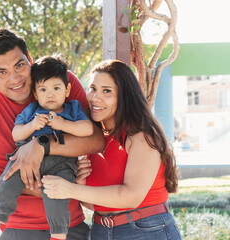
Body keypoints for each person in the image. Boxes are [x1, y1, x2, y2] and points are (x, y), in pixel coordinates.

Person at [0, 27, 105, 240]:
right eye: (1, 72)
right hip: (14, 229)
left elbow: (97, 140)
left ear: (30, 60)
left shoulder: (59, 81)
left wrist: (42, 145)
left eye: (20, 65)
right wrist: (26, 186)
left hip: (70, 227)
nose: (15, 79)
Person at [42, 60, 182, 240]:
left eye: (106, 91)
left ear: (124, 96)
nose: (95, 98)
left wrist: (71, 189)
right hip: (102, 229)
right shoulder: (94, 139)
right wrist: (80, 184)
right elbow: (95, 205)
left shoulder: (141, 135)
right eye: (92, 88)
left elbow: (131, 197)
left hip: (146, 230)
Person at [0, 55, 94, 240]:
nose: (50, 94)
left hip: (61, 164)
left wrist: (63, 124)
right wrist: (32, 126)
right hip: (27, 162)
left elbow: (87, 130)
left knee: (57, 198)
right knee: (6, 182)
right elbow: (17, 134)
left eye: (56, 88)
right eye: (43, 89)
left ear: (67, 90)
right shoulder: (32, 110)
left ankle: (58, 234)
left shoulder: (73, 108)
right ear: (36, 94)